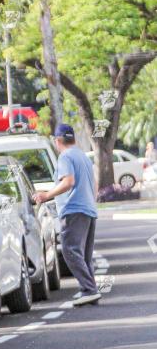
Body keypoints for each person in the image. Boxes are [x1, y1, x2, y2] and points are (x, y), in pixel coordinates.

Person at [33, 123, 100, 306]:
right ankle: (90, 291)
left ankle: (89, 289)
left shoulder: (65, 157)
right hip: (88, 209)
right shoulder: (82, 156)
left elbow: (68, 182)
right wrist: (90, 201)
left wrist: (46, 195)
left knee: (70, 251)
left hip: (73, 210)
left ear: (57, 141)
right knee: (84, 255)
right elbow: (94, 183)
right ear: (74, 139)